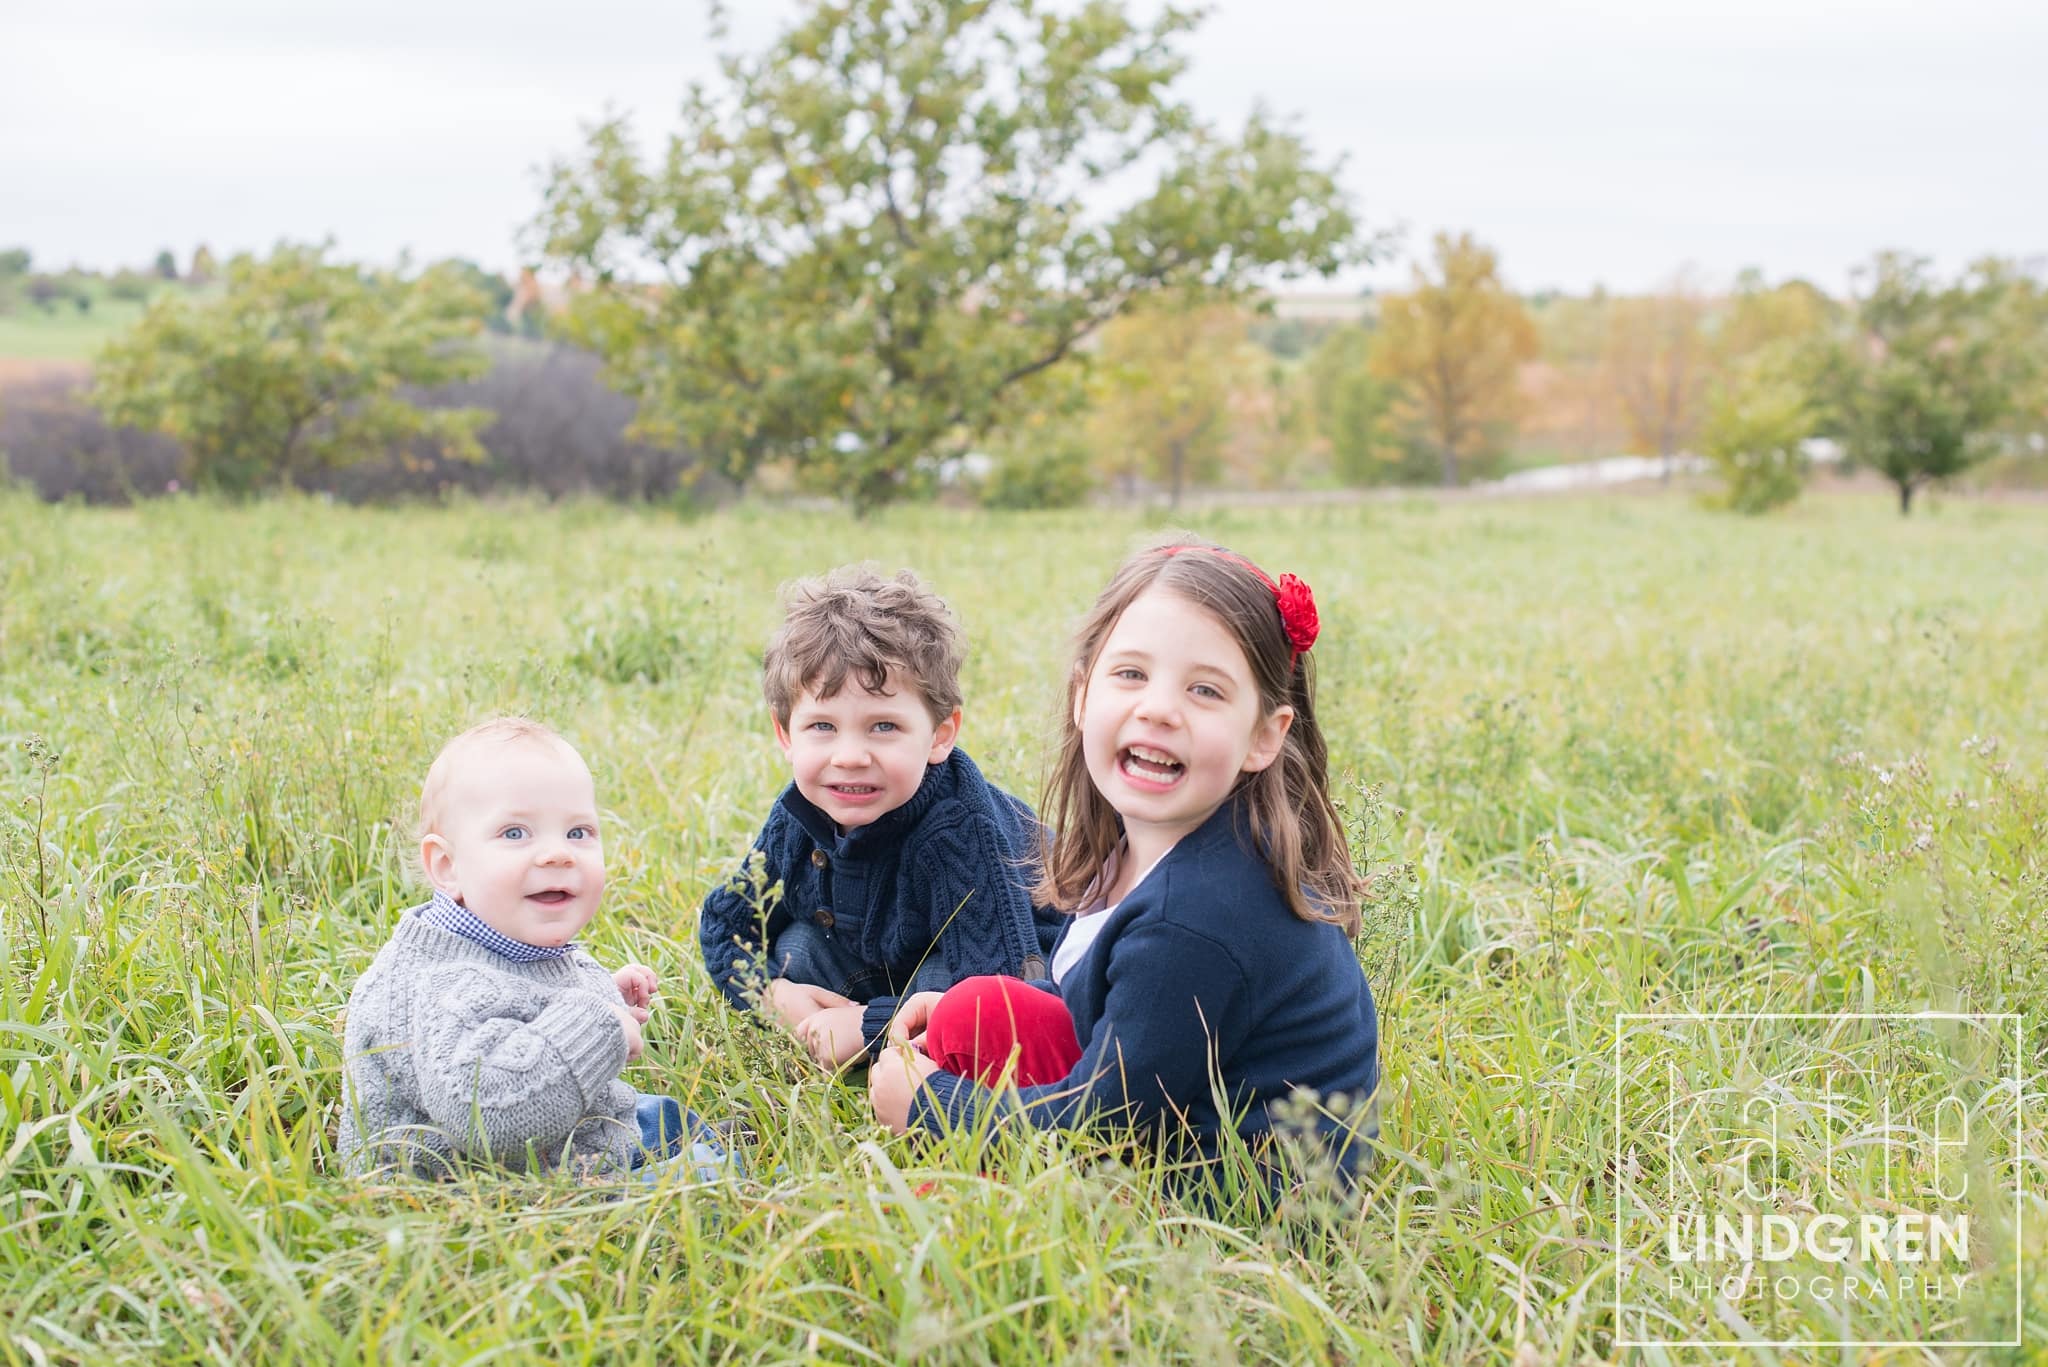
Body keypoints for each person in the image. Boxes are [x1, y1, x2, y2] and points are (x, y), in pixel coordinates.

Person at [868, 538, 1380, 1195]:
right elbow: (1120, 1010)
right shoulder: (1149, 848)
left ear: (1265, 735)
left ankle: (962, 1211)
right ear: (1083, 695)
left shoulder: (1197, 915)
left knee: (975, 1126)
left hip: (1228, 1195)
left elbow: (1105, 1119)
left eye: (1205, 689)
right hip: (1173, 1106)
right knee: (975, 1009)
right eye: (1131, 674)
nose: (1159, 708)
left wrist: (934, 1104)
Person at [698, 566, 1062, 1068]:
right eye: (822, 726)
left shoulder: (958, 830)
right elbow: (725, 921)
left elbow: (1004, 996)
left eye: (883, 726)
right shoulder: (800, 815)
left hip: (1020, 970)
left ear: (939, 734)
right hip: (888, 965)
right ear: (786, 734)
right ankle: (856, 1026)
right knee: (795, 950)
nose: (849, 756)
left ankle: (882, 1040)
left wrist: (872, 1027)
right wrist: (770, 993)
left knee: (949, 987)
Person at [339, 718, 727, 1180]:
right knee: (705, 1180)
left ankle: (694, 1146)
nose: (557, 854)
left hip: (546, 1143)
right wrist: (598, 1026)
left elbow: (523, 1006)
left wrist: (602, 995)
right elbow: (487, 1112)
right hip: (483, 1188)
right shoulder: (442, 983)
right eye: (515, 834)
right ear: (447, 866)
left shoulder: (493, 933)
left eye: (578, 833)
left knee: (659, 1115)